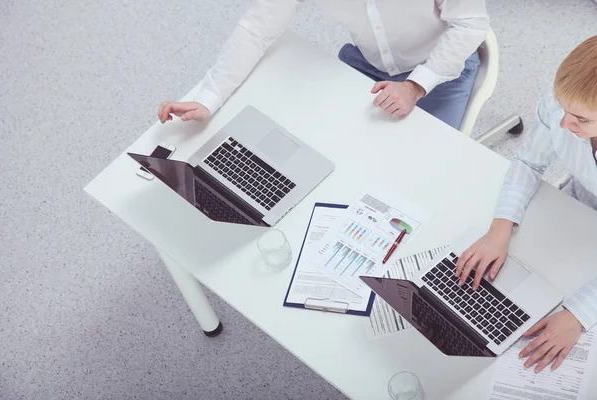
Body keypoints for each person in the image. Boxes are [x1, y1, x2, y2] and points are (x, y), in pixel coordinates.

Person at [455, 36, 597, 373]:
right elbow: (530, 163)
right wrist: (499, 230)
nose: (564, 123)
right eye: (563, 108)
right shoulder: (565, 105)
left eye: (579, 119)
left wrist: (579, 313)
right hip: (578, 211)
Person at [157, 0, 489, 130]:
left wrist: (415, 86)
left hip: (437, 72)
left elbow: (471, 25)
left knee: (423, 172)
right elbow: (257, 29)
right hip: (369, 65)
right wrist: (209, 96)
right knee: (328, 147)